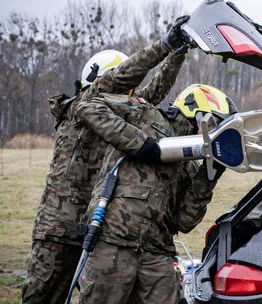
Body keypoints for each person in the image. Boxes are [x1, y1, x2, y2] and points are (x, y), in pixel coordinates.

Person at [21, 15, 190, 304]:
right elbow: (126, 76)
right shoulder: (82, 105)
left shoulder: (115, 110)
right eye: (122, 81)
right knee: (41, 298)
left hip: (95, 229)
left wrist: (177, 54)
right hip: (59, 231)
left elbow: (152, 94)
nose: (130, 91)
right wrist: (165, 44)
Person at [76, 84, 237, 303]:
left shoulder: (188, 164)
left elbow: (184, 222)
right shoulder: (144, 114)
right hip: (113, 244)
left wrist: (210, 175)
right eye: (214, 124)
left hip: (156, 253)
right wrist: (140, 144)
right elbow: (88, 105)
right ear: (198, 113)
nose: (213, 132)